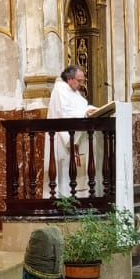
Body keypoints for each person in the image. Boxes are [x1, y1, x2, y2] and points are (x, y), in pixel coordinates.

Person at [45, 66, 91, 199]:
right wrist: (84, 112)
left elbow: (78, 107)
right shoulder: (60, 90)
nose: (82, 84)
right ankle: (64, 200)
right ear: (70, 79)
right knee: (64, 172)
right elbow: (63, 113)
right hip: (61, 138)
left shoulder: (73, 91)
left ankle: (78, 197)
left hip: (75, 136)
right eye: (80, 81)